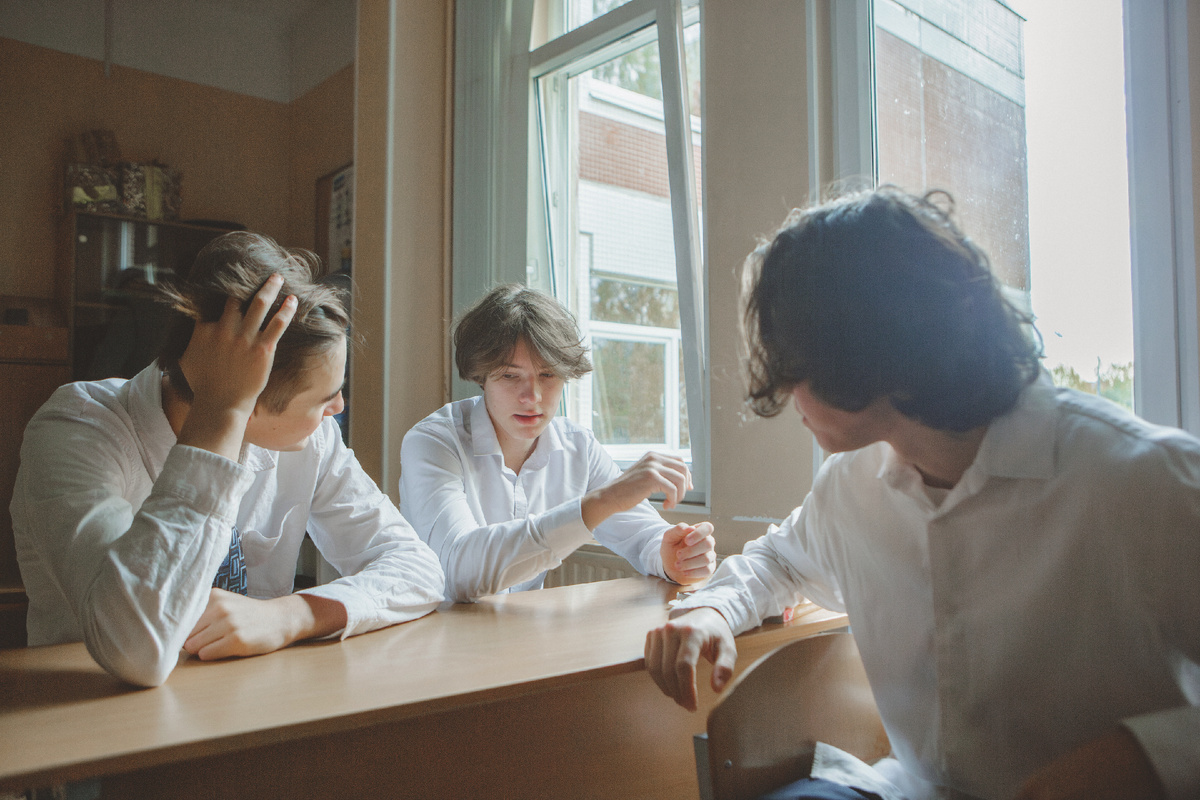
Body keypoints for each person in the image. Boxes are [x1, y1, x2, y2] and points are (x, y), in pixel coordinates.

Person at [644, 187, 1199, 800]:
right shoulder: (850, 486)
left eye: (796, 361)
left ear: (863, 353)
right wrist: (712, 610)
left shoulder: (1143, 478)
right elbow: (778, 561)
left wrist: (1143, 756)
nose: (786, 391)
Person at [12, 232, 445, 688]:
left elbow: (416, 567)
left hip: (248, 700)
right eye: (324, 398)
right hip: (91, 711)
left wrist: (291, 615)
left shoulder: (312, 439)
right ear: (248, 400)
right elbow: (137, 650)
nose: (338, 408)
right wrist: (219, 412)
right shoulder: (77, 428)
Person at [399, 284, 716, 602]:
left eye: (548, 375)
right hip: (433, 628)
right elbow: (458, 572)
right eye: (510, 375)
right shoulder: (433, 442)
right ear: (482, 376)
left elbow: (646, 538)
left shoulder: (578, 447)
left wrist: (675, 557)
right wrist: (604, 500)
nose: (532, 396)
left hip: (518, 628)